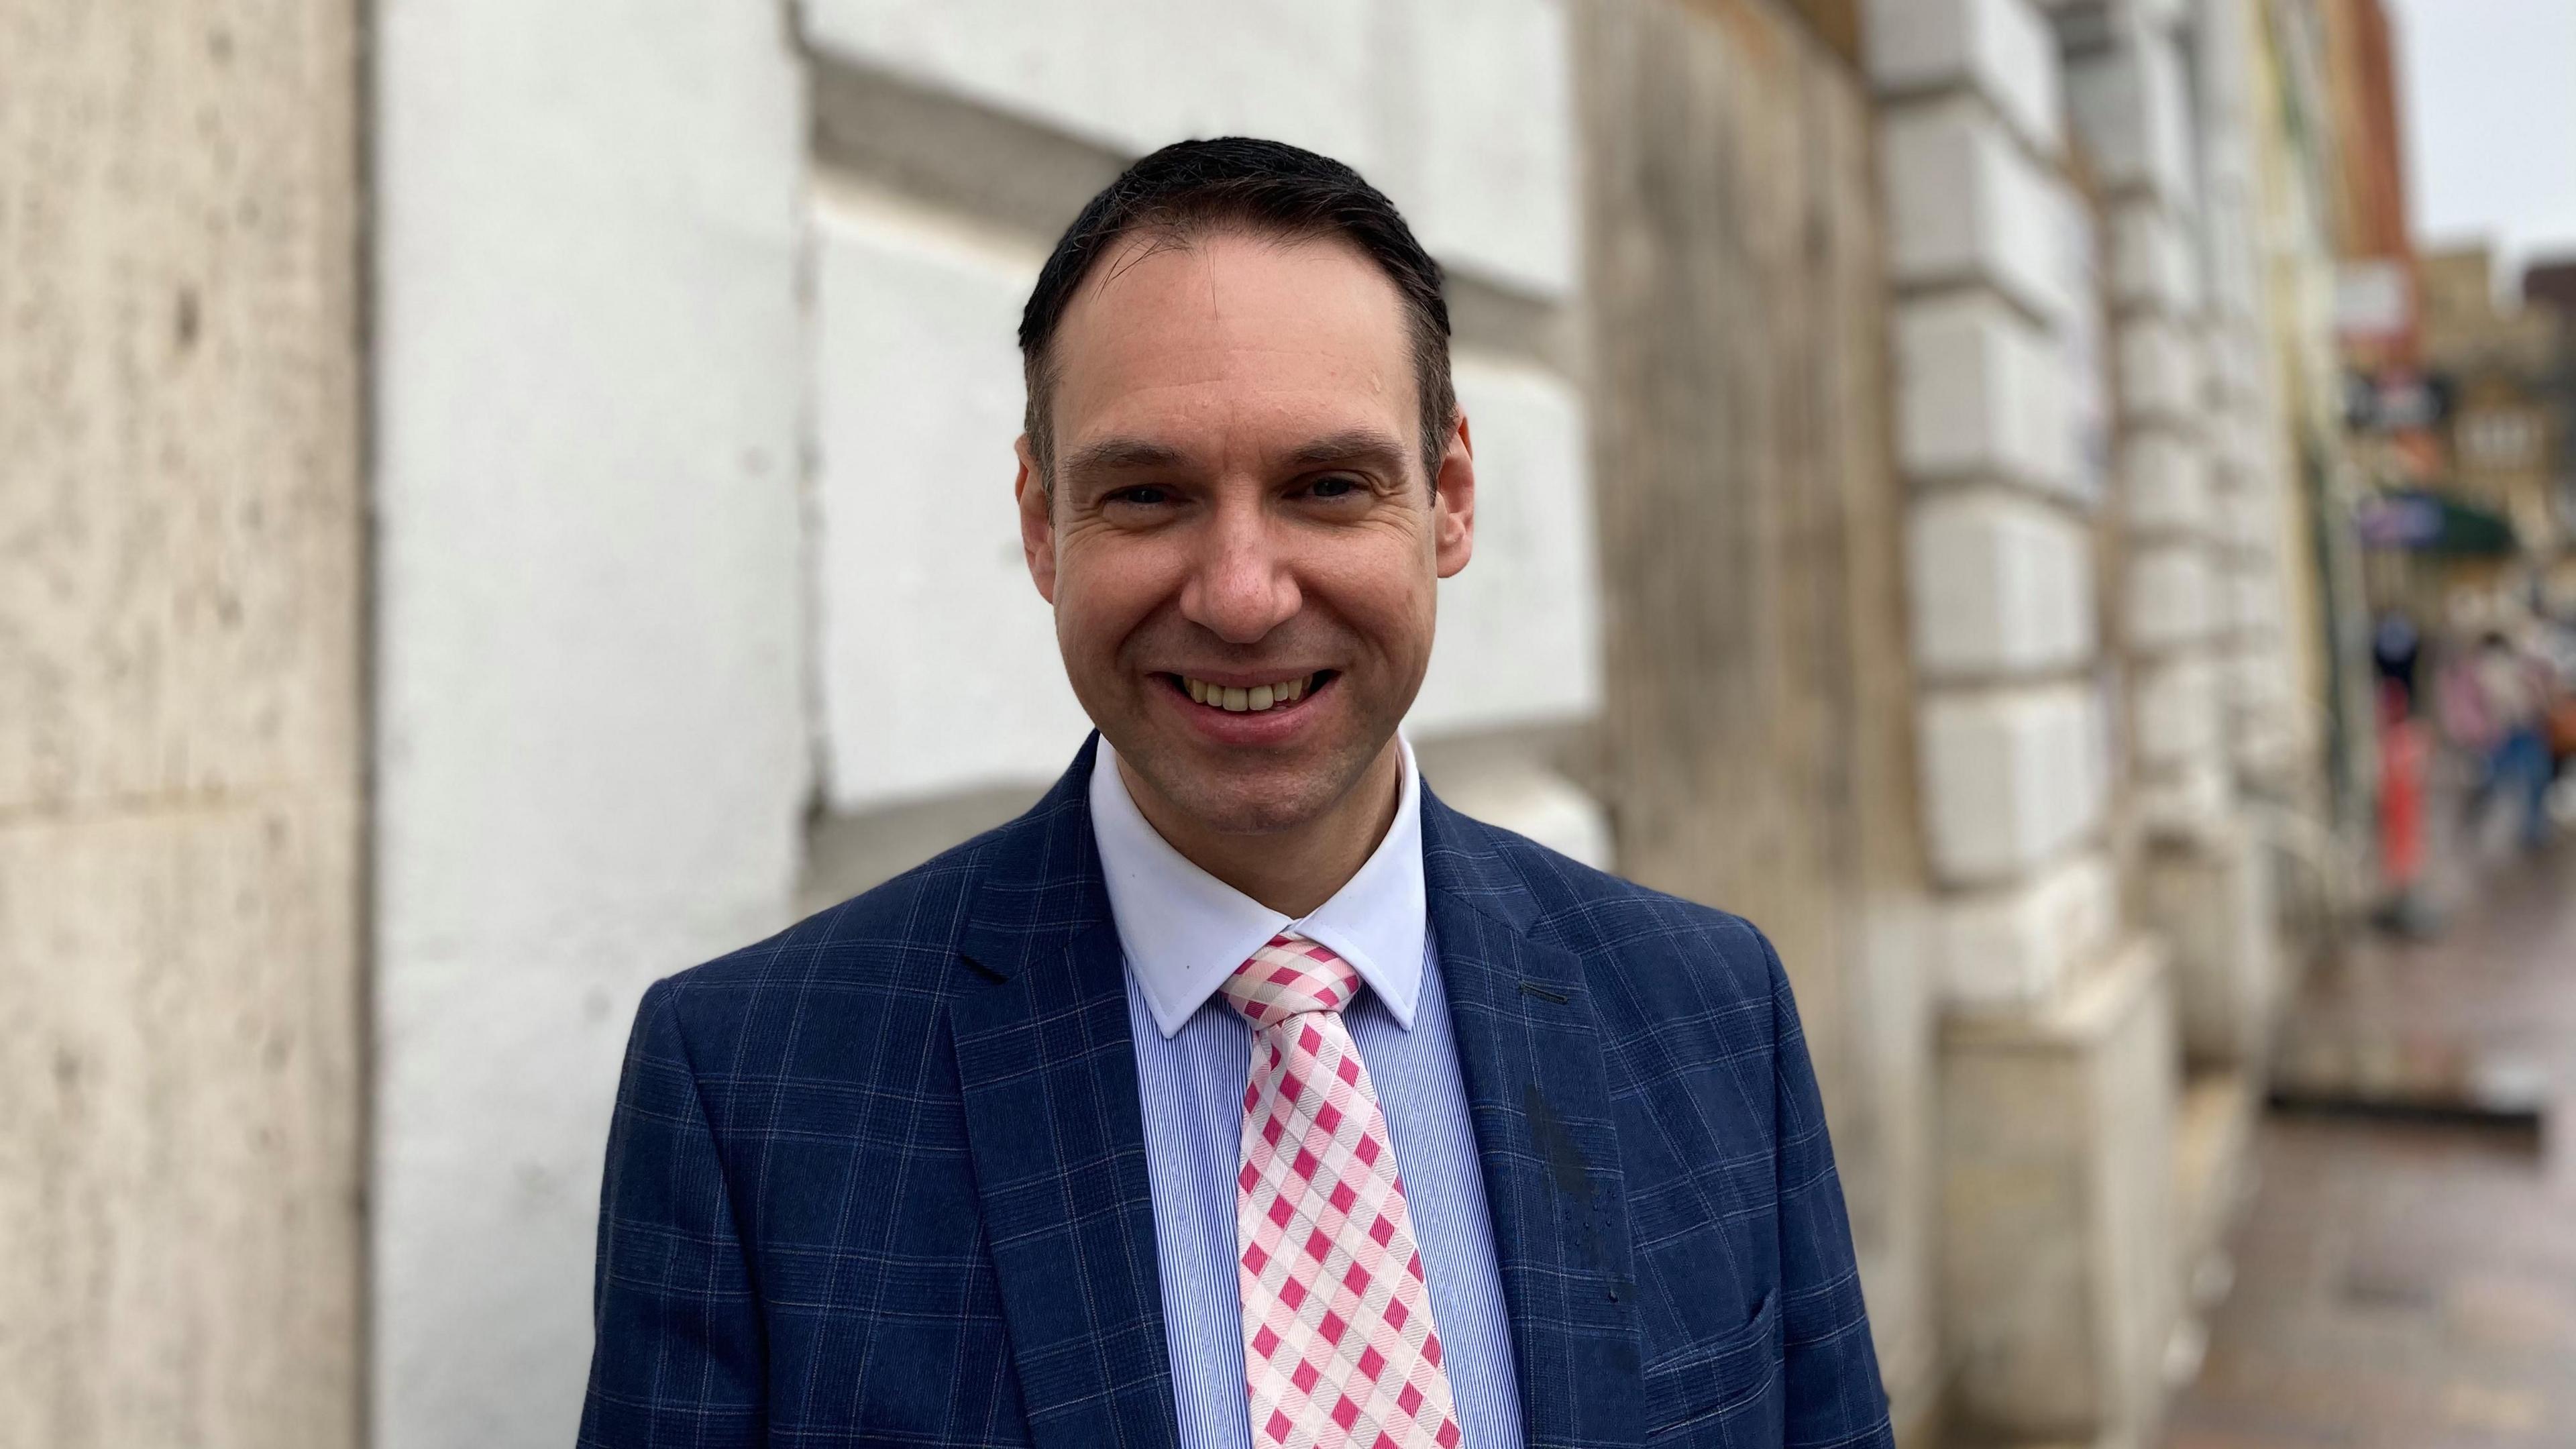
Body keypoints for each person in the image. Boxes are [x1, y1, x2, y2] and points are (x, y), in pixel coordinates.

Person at [578, 138, 1891, 1449]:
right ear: (1043, 524)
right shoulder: (756, 1093)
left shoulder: (1711, 1017)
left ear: (1448, 497)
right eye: (1149, 495)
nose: (1244, 594)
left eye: (1328, 487)